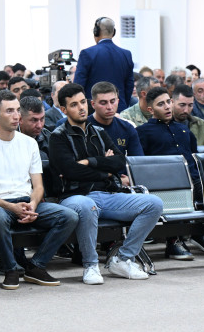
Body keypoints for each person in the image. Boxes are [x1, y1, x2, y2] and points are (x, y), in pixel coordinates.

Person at [49, 83, 163, 283]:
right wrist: (106, 171)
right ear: (64, 110)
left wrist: (90, 162)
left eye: (82, 102)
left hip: (106, 195)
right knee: (87, 205)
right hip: (75, 197)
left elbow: (119, 161)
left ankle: (123, 258)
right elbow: (70, 171)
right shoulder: (58, 137)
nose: (81, 108)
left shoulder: (99, 132)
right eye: (74, 105)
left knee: (154, 203)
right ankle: (91, 265)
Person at [0, 90, 79, 290]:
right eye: (9, 111)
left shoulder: (29, 143)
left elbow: (38, 186)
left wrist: (32, 205)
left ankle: (36, 265)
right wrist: (11, 207)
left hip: (27, 201)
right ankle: (11, 269)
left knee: (69, 216)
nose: (16, 116)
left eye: (17, 110)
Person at [135, 86, 204, 260]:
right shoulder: (143, 132)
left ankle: (199, 233)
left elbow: (193, 158)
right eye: (161, 104)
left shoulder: (183, 130)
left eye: (168, 102)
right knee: (177, 193)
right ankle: (174, 241)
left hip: (192, 181)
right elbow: (140, 165)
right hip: (162, 185)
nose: (167, 107)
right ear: (151, 110)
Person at [73, 16, 135, 108]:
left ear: (96, 32)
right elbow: (129, 86)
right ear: (113, 32)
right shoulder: (126, 54)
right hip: (119, 107)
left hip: (94, 109)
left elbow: (78, 85)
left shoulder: (87, 53)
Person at [88, 81, 144, 157]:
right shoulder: (83, 128)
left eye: (112, 101)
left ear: (118, 101)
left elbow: (138, 160)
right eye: (103, 103)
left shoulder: (127, 128)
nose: (109, 107)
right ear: (93, 104)